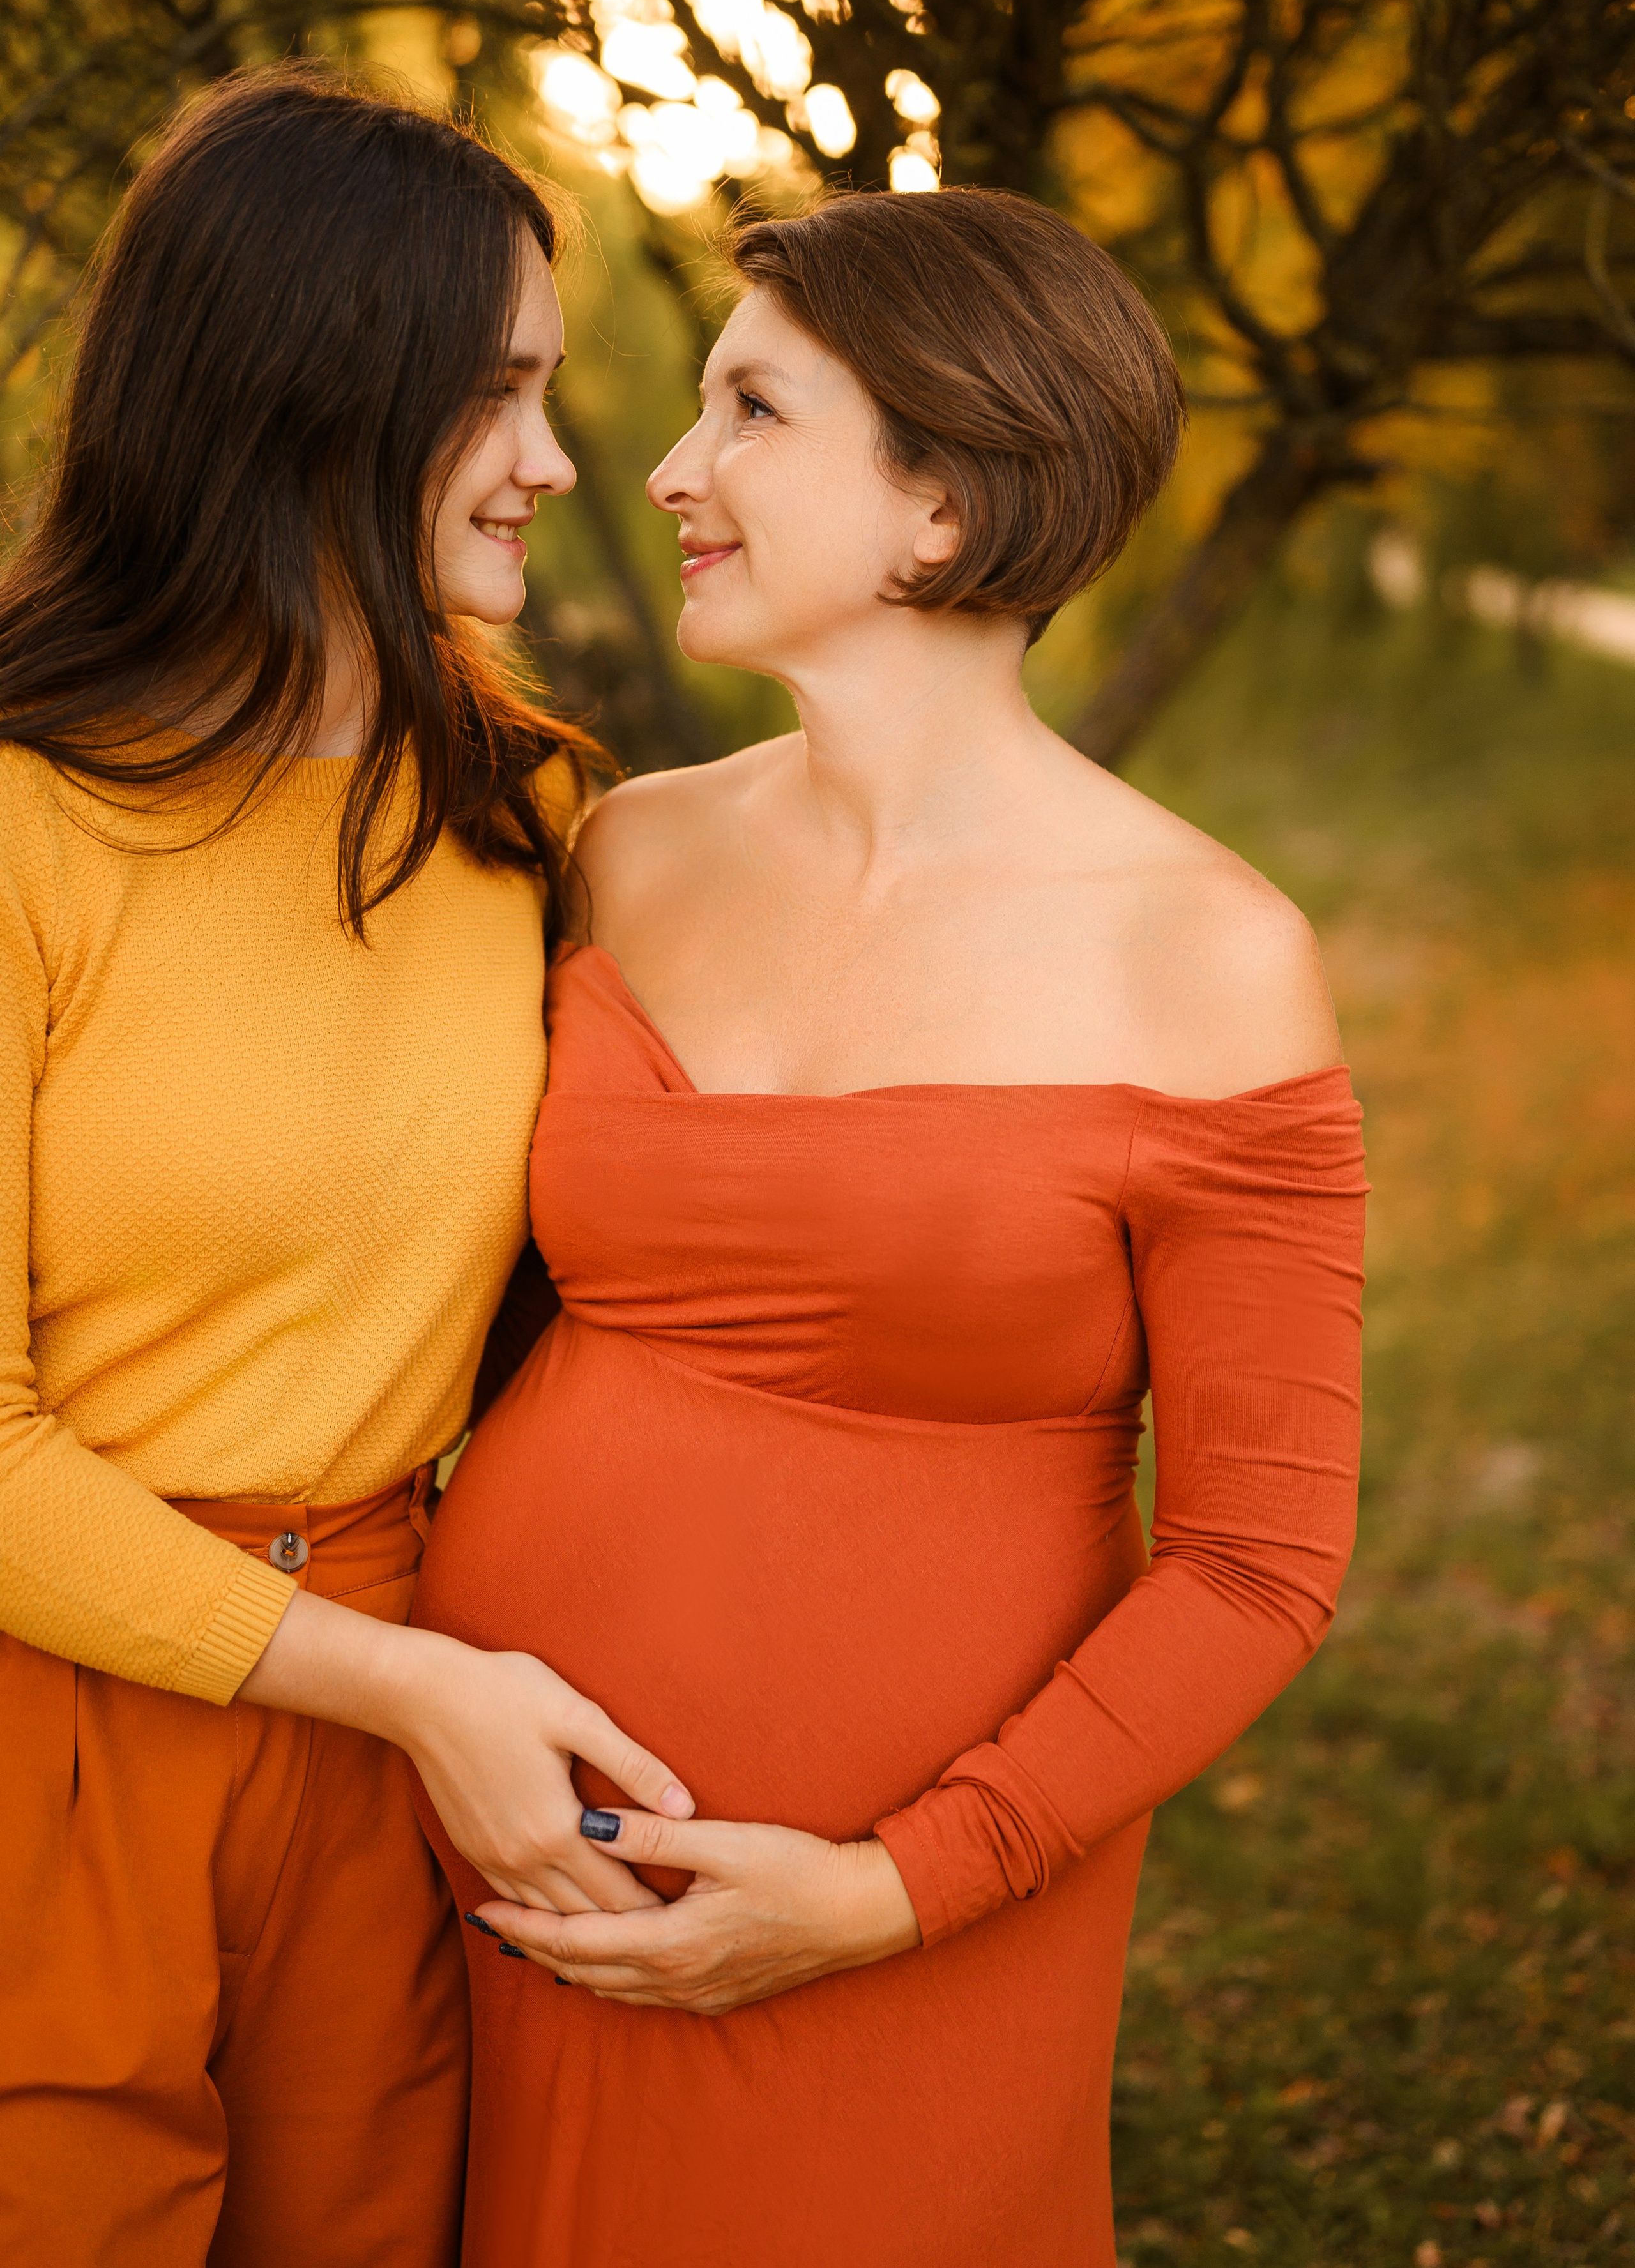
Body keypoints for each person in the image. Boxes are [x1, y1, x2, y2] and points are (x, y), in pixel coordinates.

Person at [413, 186, 1369, 2268]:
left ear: (942, 504)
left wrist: (898, 1883)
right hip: (498, 1841)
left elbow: (1261, 1561)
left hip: (917, 1907)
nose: (666, 471)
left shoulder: (1207, 955)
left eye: (750, 409)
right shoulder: (624, 850)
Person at [0, 66, 694, 2268]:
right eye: (498, 394)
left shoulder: (529, 815)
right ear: (313, 386)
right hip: (65, 1699)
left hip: (418, 1697)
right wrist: (402, 1687)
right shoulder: (26, 816)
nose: (558, 462)